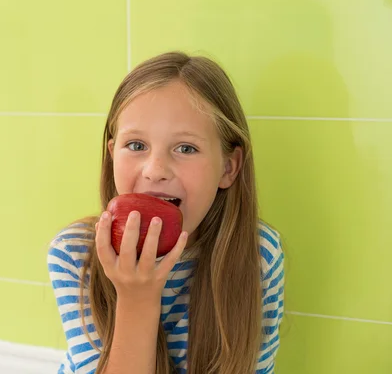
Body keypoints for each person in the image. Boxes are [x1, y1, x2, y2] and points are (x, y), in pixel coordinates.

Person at [47, 51, 284, 374]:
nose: (155, 170)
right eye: (136, 146)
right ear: (112, 155)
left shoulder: (258, 255)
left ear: (228, 168)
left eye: (186, 148)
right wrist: (136, 299)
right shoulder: (77, 254)